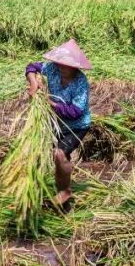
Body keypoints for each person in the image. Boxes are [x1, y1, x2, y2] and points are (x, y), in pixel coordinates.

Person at [25, 38, 92, 208]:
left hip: (76, 125)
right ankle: (62, 199)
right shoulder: (52, 69)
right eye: (59, 63)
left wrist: (50, 103)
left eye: (65, 65)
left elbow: (74, 111)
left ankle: (65, 190)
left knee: (59, 154)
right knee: (54, 157)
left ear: (75, 67)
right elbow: (32, 67)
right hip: (57, 123)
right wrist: (34, 83)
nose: (61, 67)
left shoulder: (81, 83)